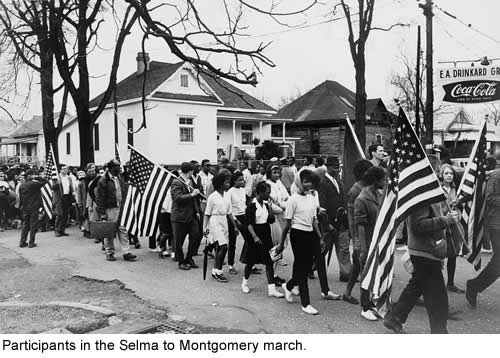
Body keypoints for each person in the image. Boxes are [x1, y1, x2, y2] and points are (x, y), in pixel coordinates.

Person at [384, 156, 459, 334]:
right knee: (438, 298)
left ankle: (395, 317)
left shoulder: (428, 191)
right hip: (425, 251)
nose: (440, 174)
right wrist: (445, 220)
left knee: (417, 285)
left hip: (426, 249)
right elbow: (418, 225)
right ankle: (439, 333)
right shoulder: (421, 194)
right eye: (437, 169)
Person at [277, 169, 324, 315]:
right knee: (303, 269)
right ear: (299, 182)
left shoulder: (311, 198)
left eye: (310, 181)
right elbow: (287, 224)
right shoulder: (293, 200)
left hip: (310, 234)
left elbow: (314, 220)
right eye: (305, 181)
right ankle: (305, 303)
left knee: (306, 266)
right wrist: (281, 243)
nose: (308, 184)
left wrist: (320, 237)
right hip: (297, 234)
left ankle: (288, 285)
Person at [465, 154, 500, 308]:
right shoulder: (496, 176)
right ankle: (474, 286)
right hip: (496, 224)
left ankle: (475, 286)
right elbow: (490, 197)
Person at [241, 181, 284, 298]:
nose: (268, 195)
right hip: (255, 235)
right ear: (260, 192)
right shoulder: (251, 206)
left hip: (265, 235)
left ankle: (272, 289)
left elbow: (270, 220)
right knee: (251, 261)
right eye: (267, 193)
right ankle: (244, 283)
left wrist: (270, 209)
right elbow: (249, 223)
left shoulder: (265, 205)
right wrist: (254, 237)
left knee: (269, 262)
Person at [354, 166, 386, 321]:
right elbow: (359, 225)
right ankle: (364, 307)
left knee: (374, 273)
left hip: (376, 240)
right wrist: (363, 249)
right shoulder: (362, 199)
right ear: (375, 180)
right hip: (366, 242)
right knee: (365, 273)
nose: (385, 181)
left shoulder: (376, 195)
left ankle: (372, 302)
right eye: (383, 179)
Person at [343, 159, 373, 304]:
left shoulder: (366, 187)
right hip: (359, 234)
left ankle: (347, 292)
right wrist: (355, 239)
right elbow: (351, 217)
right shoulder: (355, 190)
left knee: (357, 265)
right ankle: (366, 300)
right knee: (363, 265)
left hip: (366, 231)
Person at [318, 156, 352, 282]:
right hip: (329, 222)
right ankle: (311, 267)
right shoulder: (323, 182)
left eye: (338, 166)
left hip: (341, 221)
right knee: (324, 248)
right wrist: (327, 224)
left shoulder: (338, 181)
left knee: (344, 248)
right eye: (334, 166)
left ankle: (346, 272)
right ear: (327, 167)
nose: (337, 168)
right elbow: (322, 207)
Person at [96, 159, 136, 262]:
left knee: (123, 229)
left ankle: (126, 252)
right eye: (117, 166)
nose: (119, 168)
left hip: (120, 208)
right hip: (110, 209)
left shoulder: (119, 177)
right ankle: (109, 252)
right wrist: (103, 213)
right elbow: (99, 198)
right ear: (111, 168)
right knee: (109, 231)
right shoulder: (103, 180)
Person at [203, 173, 238, 283]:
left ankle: (215, 270)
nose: (228, 184)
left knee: (222, 247)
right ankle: (218, 271)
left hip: (224, 221)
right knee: (223, 246)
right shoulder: (212, 197)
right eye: (226, 182)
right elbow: (207, 213)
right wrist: (204, 227)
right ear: (219, 184)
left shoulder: (227, 195)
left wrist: (235, 226)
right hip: (214, 221)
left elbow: (229, 213)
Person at [171, 162, 202, 270]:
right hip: (180, 216)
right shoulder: (176, 182)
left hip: (192, 215)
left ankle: (189, 257)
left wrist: (197, 211)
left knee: (196, 236)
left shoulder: (190, 182)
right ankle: (181, 261)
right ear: (190, 171)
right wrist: (192, 194)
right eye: (193, 171)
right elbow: (177, 198)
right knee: (179, 240)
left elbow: (194, 200)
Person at [439, 164, 464, 294]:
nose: (449, 176)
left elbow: (459, 209)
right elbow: (436, 209)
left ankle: (451, 283)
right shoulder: (437, 189)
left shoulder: (456, 189)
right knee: (438, 256)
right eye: (446, 173)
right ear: (441, 175)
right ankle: (435, 284)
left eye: (451, 174)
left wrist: (458, 211)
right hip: (441, 226)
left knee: (453, 255)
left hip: (453, 226)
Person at [266, 164, 289, 285]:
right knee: (276, 244)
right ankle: (272, 276)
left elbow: (286, 197)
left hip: (282, 216)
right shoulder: (267, 184)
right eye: (274, 172)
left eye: (278, 172)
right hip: (274, 218)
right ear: (269, 173)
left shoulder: (279, 183)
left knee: (282, 243)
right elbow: (271, 203)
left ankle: (275, 273)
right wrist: (281, 206)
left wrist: (283, 205)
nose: (277, 174)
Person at [18, 170, 46, 248]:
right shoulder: (34, 184)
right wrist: (39, 177)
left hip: (25, 207)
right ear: (30, 176)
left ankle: (22, 242)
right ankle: (31, 242)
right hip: (33, 207)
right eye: (32, 175)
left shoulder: (22, 185)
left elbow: (20, 197)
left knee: (25, 224)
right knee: (33, 224)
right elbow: (45, 181)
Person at [226, 171, 247, 274]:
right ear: (234, 181)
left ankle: (248, 262)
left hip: (243, 216)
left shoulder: (243, 190)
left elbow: (244, 205)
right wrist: (235, 221)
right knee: (232, 242)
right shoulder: (230, 192)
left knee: (249, 239)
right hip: (233, 218)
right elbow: (229, 209)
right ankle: (231, 265)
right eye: (240, 180)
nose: (242, 182)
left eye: (243, 180)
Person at [52, 165, 76, 237]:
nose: (65, 170)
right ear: (60, 170)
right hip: (59, 198)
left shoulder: (69, 178)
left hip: (67, 197)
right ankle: (57, 230)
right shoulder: (57, 178)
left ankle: (62, 230)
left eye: (66, 169)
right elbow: (52, 187)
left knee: (66, 215)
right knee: (59, 214)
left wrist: (73, 192)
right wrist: (57, 183)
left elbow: (70, 187)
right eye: (63, 169)